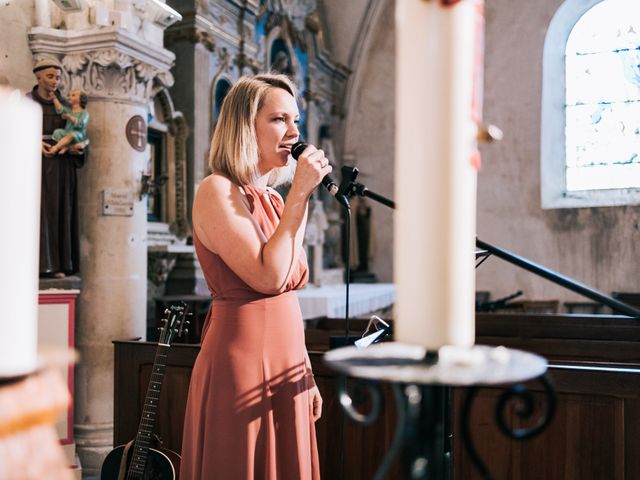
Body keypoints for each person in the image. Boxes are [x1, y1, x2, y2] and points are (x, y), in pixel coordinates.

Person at [180, 73, 326, 479]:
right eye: (279, 119)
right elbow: (268, 278)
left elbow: (287, 298)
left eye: (295, 120)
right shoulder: (216, 190)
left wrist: (306, 372)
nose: (294, 132)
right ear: (246, 126)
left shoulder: (276, 201)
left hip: (286, 362)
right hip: (241, 363)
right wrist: (300, 194)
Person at [28, 59, 87, 279]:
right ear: (38, 77)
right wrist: (32, 143)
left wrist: (77, 149)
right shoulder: (25, 103)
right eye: (50, 76)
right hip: (35, 169)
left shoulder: (65, 106)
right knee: (37, 213)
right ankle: (38, 264)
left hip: (61, 169)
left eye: (58, 77)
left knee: (59, 213)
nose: (55, 81)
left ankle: (57, 263)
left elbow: (80, 134)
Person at [49, 89, 89, 155]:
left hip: (79, 135)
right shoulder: (69, 111)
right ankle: (66, 146)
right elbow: (60, 108)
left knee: (72, 135)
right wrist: (54, 98)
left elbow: (81, 124)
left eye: (73, 95)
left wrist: (70, 117)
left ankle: (55, 148)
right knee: (57, 132)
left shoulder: (84, 113)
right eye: (69, 95)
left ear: (80, 99)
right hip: (67, 132)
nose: (69, 97)